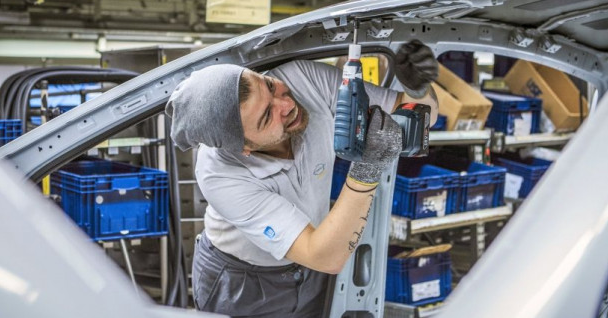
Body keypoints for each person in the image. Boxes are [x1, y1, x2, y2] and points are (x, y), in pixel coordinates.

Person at [166, 40, 439, 317]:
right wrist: (366, 169)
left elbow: (416, 117)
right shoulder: (220, 176)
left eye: (270, 86)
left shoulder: (301, 78)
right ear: (243, 148)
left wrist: (418, 89)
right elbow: (325, 256)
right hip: (243, 282)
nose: (286, 103)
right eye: (266, 117)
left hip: (311, 265)